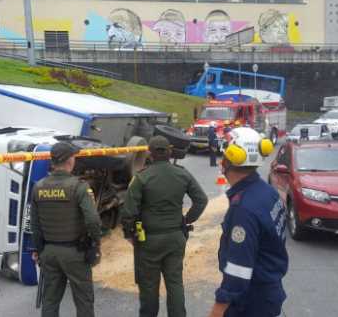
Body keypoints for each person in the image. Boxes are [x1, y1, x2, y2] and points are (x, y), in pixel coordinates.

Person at [122, 135, 208, 317]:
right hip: (175, 237)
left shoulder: (141, 178)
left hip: (148, 240)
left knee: (149, 287)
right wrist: (187, 220)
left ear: (149, 154)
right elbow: (201, 200)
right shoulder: (182, 173)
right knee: (175, 283)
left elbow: (129, 211)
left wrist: (130, 234)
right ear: (169, 152)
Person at [208, 128, 288, 317]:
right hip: (267, 291)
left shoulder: (243, 209)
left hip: (250, 301)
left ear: (227, 162)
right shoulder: (266, 191)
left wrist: (218, 310)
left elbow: (239, 269)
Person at [30, 142, 102, 317]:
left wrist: (39, 251)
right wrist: (95, 244)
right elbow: (92, 220)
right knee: (84, 300)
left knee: (50, 300)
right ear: (70, 161)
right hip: (75, 253)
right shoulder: (79, 187)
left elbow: (35, 225)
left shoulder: (38, 187)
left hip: (49, 252)